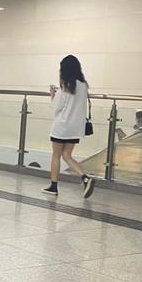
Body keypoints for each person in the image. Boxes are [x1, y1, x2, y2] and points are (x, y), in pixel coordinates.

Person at [43, 54, 95, 198]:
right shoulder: (83, 85)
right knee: (67, 155)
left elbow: (56, 108)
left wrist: (53, 95)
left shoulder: (66, 85)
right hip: (75, 128)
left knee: (56, 155)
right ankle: (85, 178)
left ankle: (53, 187)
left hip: (62, 127)